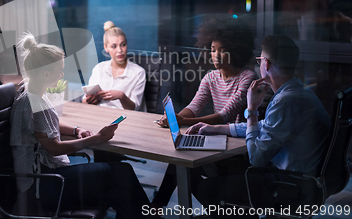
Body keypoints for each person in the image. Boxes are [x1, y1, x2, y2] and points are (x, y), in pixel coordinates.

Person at [184, 35, 331, 218]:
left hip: (288, 185)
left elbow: (256, 158)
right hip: (298, 178)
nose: (259, 64)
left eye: (260, 60)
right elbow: (265, 125)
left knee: (207, 188)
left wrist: (252, 109)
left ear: (267, 64)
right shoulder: (295, 91)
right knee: (217, 173)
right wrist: (218, 128)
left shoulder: (287, 101)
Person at [10, 33, 151, 218]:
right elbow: (53, 148)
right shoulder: (33, 101)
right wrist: (97, 138)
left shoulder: (31, 90)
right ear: (45, 73)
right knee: (122, 172)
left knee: (120, 191)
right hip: (42, 185)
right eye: (59, 70)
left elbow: (47, 122)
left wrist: (77, 130)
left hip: (48, 177)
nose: (62, 74)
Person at [152, 17, 258, 208]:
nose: (215, 55)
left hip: (237, 149)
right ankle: (160, 208)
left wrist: (183, 121)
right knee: (178, 162)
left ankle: (158, 208)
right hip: (218, 140)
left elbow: (225, 115)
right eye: (212, 49)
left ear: (236, 50)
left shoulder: (247, 77)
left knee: (180, 165)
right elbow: (194, 106)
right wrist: (176, 118)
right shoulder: (210, 77)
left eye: (222, 50)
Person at [83, 21, 146, 111]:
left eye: (123, 45)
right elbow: (84, 101)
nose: (120, 50)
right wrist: (90, 100)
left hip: (125, 118)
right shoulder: (99, 68)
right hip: (100, 114)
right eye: (114, 46)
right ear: (106, 48)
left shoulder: (138, 72)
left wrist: (121, 96)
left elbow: (135, 108)